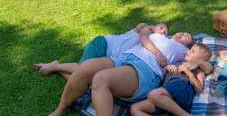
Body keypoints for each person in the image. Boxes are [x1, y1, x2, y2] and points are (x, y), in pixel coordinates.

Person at [42, 25, 195, 116]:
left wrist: (198, 63)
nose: (182, 33)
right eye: (182, 32)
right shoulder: (160, 36)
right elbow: (142, 35)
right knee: (85, 67)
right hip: (124, 58)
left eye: (187, 36)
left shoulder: (183, 51)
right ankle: (62, 108)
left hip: (146, 71)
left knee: (100, 79)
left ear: (188, 47)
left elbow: (201, 58)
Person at [130, 43, 213, 116]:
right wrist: (166, 70)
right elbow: (165, 79)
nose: (188, 51)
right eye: (190, 50)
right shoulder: (177, 62)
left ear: (201, 60)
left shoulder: (198, 69)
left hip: (182, 88)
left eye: (193, 52)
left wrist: (189, 73)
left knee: (153, 94)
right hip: (166, 96)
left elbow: (198, 88)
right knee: (135, 108)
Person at [34, 23, 169, 79]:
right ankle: (55, 66)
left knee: (88, 79)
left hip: (107, 56)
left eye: (165, 33)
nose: (163, 32)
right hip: (103, 45)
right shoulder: (146, 29)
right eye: (162, 28)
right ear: (153, 26)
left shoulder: (152, 41)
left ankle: (56, 67)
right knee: (83, 71)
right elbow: (143, 39)